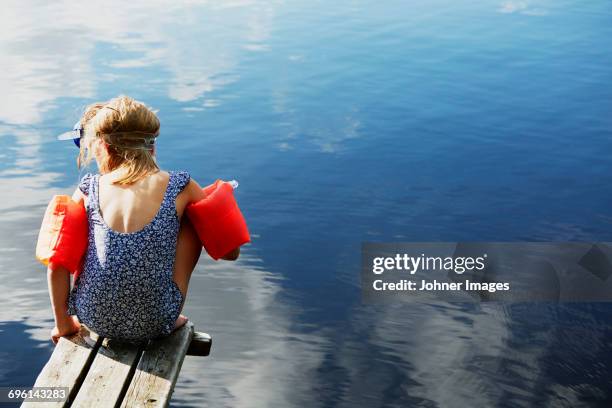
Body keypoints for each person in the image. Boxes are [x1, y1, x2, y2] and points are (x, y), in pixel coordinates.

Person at [47, 95, 241, 345]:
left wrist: (64, 326)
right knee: (192, 218)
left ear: (104, 147)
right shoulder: (180, 185)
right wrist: (210, 209)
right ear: (152, 147)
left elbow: (56, 263)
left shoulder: (88, 188)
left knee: (71, 237)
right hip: (157, 322)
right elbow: (230, 252)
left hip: (93, 317)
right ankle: (169, 312)